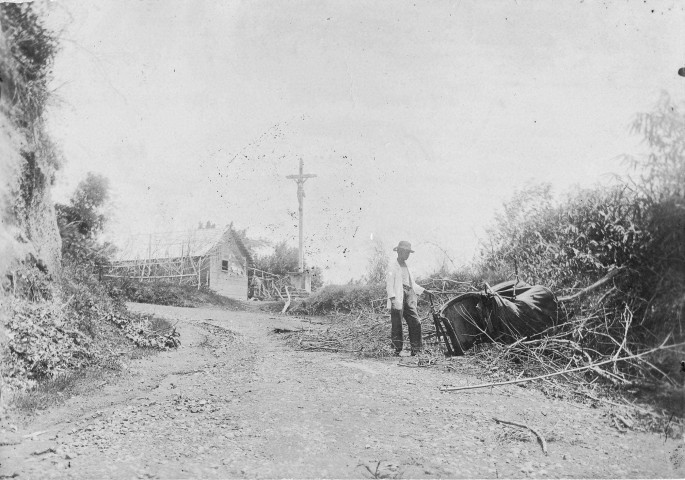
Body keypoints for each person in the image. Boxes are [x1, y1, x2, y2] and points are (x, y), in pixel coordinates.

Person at [386, 241, 432, 356]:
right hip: (398, 294)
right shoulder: (393, 266)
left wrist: (425, 291)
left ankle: (416, 349)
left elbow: (413, 284)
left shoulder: (407, 267)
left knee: (415, 321)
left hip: (409, 293)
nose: (407, 255)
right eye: (406, 252)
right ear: (399, 252)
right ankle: (397, 350)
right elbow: (389, 284)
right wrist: (392, 299)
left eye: (408, 253)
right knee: (397, 323)